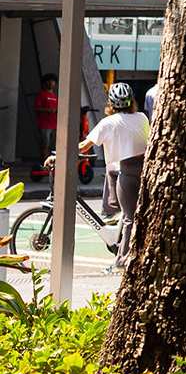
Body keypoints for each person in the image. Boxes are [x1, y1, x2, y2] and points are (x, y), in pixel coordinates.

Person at [46, 82, 148, 274]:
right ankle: (117, 239)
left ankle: (122, 260)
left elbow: (84, 146)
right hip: (142, 170)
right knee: (125, 211)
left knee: (128, 216)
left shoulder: (107, 123)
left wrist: (58, 156)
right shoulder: (142, 118)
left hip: (122, 173)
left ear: (110, 104)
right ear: (132, 101)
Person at [33, 76, 56, 162]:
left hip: (54, 124)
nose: (51, 83)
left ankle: (51, 162)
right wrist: (48, 110)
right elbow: (36, 108)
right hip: (44, 124)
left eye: (52, 81)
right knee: (45, 145)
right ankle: (45, 163)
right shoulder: (42, 95)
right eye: (49, 81)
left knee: (52, 145)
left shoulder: (54, 96)